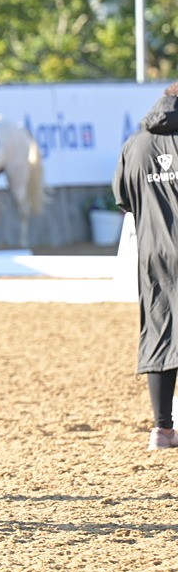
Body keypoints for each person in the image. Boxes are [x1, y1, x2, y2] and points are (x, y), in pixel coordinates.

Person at [114, 83, 178, 450]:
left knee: (160, 333)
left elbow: (123, 200)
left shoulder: (134, 145)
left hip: (153, 253)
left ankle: (162, 431)